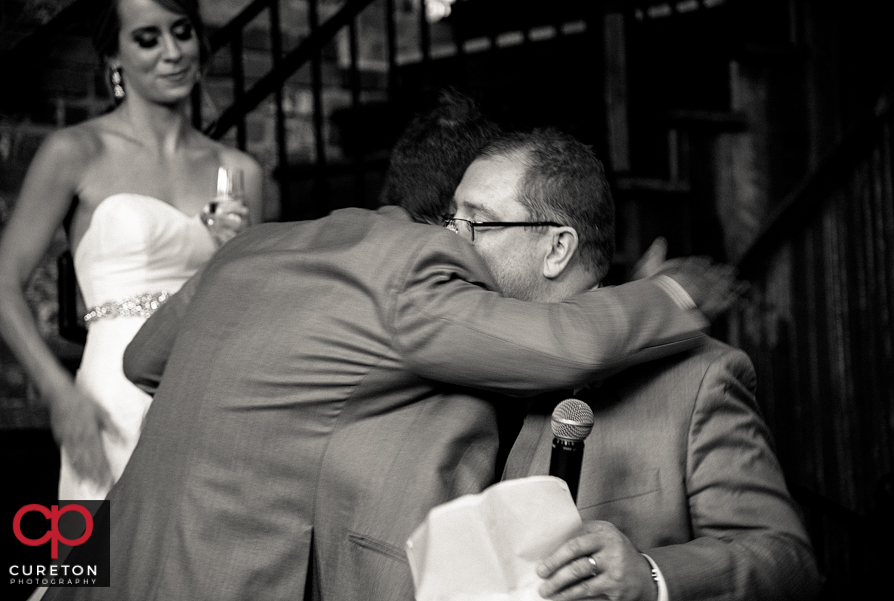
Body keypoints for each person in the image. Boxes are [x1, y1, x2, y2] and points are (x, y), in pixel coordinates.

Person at [41, 93, 732, 601]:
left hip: (112, 563)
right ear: (452, 218)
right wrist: (670, 292)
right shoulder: (419, 265)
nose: (467, 241)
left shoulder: (251, 247)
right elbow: (563, 342)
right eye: (469, 221)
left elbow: (141, 362)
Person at [446, 129, 820, 600]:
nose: (449, 243)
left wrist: (652, 576)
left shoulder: (700, 379)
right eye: (449, 220)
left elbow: (787, 561)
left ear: (557, 249)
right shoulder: (448, 363)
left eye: (477, 224)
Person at [0, 0, 263, 502]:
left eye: (182, 32)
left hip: (210, 389)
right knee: (92, 565)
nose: (172, 52)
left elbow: (257, 310)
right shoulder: (76, 151)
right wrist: (58, 393)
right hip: (109, 397)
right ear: (114, 57)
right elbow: (3, 281)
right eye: (147, 39)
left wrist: (239, 260)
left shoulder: (240, 171)